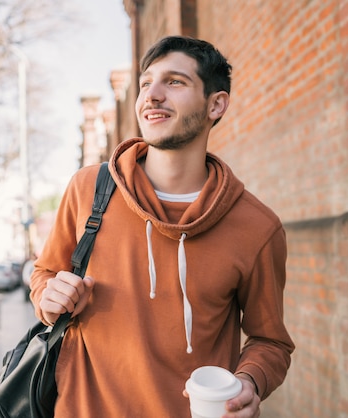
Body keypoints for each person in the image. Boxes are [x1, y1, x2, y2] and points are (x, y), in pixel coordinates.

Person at [29, 36, 295, 418]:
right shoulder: (88, 189)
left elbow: (270, 341)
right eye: (145, 83)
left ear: (215, 104)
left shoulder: (257, 227)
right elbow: (44, 274)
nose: (151, 95)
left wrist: (250, 383)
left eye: (174, 82)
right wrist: (49, 298)